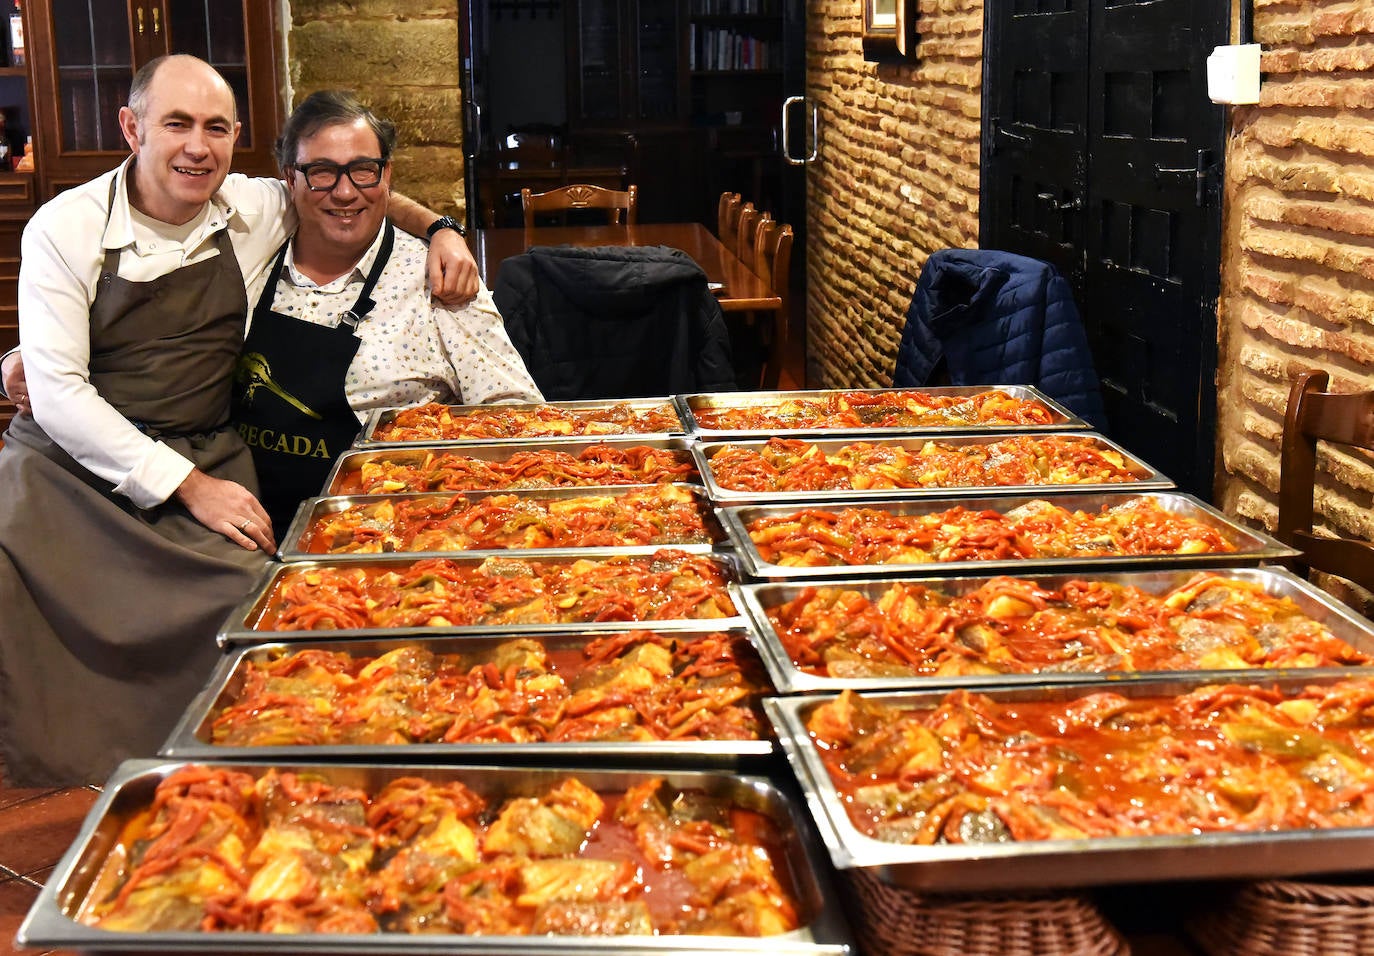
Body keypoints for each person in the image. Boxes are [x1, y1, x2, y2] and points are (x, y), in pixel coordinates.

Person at [0, 56, 478, 786]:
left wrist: (442, 227)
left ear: (236, 139)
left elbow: (348, 183)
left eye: (216, 128)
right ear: (132, 129)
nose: (198, 146)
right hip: (69, 465)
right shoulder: (64, 227)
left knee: (256, 598)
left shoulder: (252, 205)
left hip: (199, 443)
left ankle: (235, 774)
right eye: (177, 124)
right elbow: (60, 393)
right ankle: (77, 784)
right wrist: (188, 486)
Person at [233, 90, 541, 531]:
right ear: (290, 178)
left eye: (363, 170)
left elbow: (519, 418)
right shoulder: (250, 260)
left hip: (395, 538)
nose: (344, 192)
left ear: (386, 174)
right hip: (246, 527)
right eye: (322, 171)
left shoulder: (437, 280)